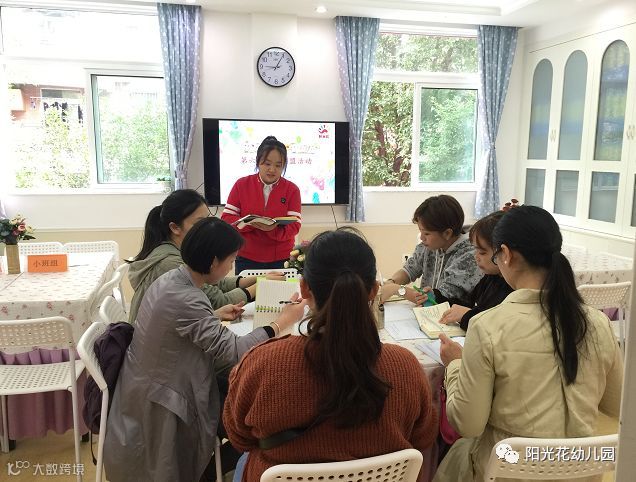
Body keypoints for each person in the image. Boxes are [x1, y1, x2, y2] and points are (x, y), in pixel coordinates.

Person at [224, 228, 438, 482]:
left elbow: (239, 438)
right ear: (374, 290)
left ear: (304, 289)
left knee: (244, 461)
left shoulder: (261, 363)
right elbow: (423, 437)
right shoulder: (406, 367)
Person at [103, 217, 305, 482]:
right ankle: (218, 472)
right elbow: (235, 351)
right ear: (213, 262)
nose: (232, 266)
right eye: (231, 260)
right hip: (166, 394)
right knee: (258, 421)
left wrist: (214, 315)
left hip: (152, 379)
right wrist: (281, 322)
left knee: (245, 394)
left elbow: (180, 323)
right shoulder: (186, 298)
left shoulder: (174, 280)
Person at [433, 206, 623, 482]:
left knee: (454, 454)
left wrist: (455, 366)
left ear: (506, 254)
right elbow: (617, 406)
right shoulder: (596, 323)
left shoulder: (487, 326)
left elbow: (467, 423)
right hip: (579, 472)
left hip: (509, 470)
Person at [127, 189, 282, 323]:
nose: (207, 229)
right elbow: (217, 302)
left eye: (208, 221)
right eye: (199, 224)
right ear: (175, 228)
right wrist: (260, 286)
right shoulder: (171, 263)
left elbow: (215, 285)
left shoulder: (178, 253)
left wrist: (258, 279)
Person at [221, 136, 302, 274]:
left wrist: (272, 229)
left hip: (282, 259)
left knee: (281, 290)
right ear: (258, 162)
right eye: (267, 163)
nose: (272, 169)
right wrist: (250, 223)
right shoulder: (241, 185)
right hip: (246, 257)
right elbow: (227, 219)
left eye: (278, 165)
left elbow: (295, 225)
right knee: (246, 289)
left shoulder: (292, 189)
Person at [383, 195, 481, 305]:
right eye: (420, 231)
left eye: (426, 233)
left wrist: (397, 290)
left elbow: (440, 298)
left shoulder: (470, 256)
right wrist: (391, 282)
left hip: (451, 313)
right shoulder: (430, 246)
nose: (421, 237)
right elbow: (410, 269)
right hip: (428, 312)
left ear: (447, 233)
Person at [437, 210, 512, 331]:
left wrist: (466, 315)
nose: (476, 256)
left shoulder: (511, 288)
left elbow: (492, 325)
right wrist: (436, 297)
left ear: (504, 253)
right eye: (475, 250)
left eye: (482, 252)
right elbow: (468, 304)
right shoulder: (489, 277)